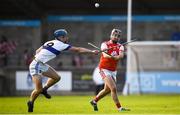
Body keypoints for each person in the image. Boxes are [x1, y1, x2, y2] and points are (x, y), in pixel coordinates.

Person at [27, 29, 98, 112]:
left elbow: (37, 51)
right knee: (38, 90)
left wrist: (40, 57)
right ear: (61, 37)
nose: (67, 38)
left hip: (41, 64)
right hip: (36, 65)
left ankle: (45, 89)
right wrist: (92, 51)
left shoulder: (49, 42)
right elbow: (78, 49)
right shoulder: (60, 45)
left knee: (57, 77)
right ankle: (31, 102)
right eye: (65, 37)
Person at [90, 28, 130, 112]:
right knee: (113, 88)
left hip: (113, 70)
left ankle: (94, 101)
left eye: (118, 36)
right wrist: (111, 56)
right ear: (111, 35)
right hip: (104, 69)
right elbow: (105, 55)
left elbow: (121, 56)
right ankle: (119, 108)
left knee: (107, 90)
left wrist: (116, 57)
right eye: (114, 35)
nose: (116, 37)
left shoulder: (121, 46)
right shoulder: (104, 44)